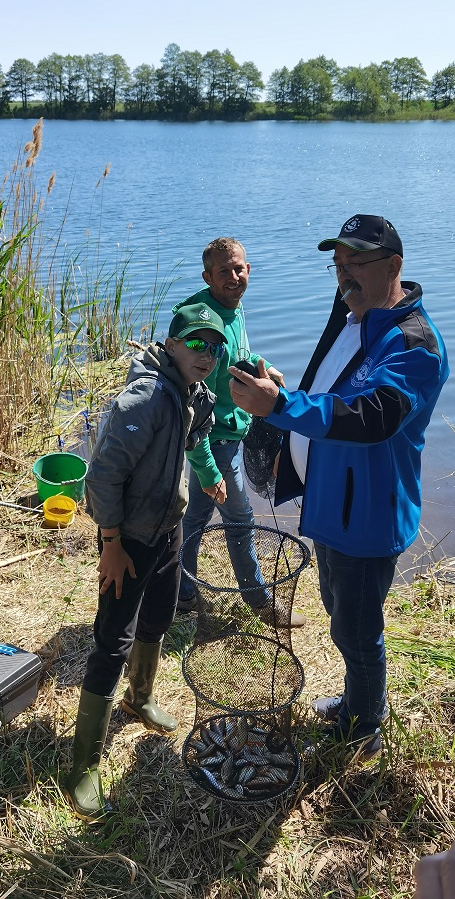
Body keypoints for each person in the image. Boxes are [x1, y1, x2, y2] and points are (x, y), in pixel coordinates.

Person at [229, 214, 449, 755]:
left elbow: (371, 415)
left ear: (393, 265)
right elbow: (327, 390)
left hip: (367, 517)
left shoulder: (415, 345)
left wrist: (281, 407)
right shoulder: (353, 313)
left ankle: (365, 725)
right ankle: (359, 702)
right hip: (330, 504)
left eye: (357, 262)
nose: (343, 274)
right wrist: (282, 391)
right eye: (338, 263)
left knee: (355, 629)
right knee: (337, 609)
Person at [65, 302, 225, 821]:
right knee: (113, 638)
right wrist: (109, 542)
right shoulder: (145, 400)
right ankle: (82, 764)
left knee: (158, 617)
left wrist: (207, 469)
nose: (208, 354)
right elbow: (101, 478)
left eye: (216, 345)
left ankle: (139, 698)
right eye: (198, 343)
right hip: (128, 537)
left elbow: (197, 437)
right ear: (172, 344)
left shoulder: (190, 392)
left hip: (167, 528)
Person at [173, 237, 305, 628]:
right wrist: (208, 467)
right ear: (207, 276)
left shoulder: (232, 307)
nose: (234, 277)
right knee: (241, 520)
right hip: (213, 441)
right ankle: (261, 603)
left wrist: (262, 365)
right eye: (224, 271)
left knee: (195, 516)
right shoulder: (199, 321)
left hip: (230, 432)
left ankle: (180, 592)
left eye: (240, 268)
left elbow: (235, 353)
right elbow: (188, 405)